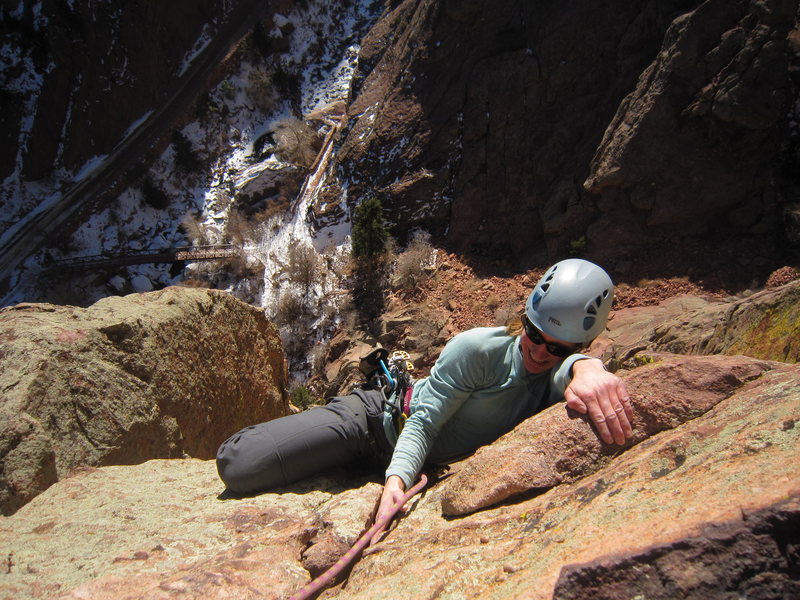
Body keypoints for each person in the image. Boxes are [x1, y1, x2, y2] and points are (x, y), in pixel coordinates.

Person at [216, 258, 633, 536]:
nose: (540, 351)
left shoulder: (563, 370)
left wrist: (588, 367)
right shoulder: (478, 349)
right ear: (524, 318)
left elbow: (566, 375)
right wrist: (395, 482)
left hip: (416, 458)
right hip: (376, 423)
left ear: (581, 344)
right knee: (241, 464)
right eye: (533, 333)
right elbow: (424, 421)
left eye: (557, 347)